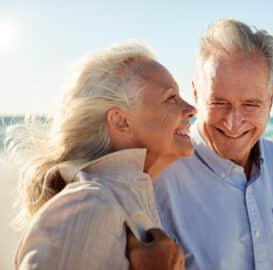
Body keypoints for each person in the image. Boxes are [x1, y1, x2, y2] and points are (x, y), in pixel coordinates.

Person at [154, 19, 273, 269]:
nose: (233, 122)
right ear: (195, 93)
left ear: (271, 99)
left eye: (250, 104)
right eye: (219, 102)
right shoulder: (159, 178)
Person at [5, 42, 195, 269]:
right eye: (171, 97)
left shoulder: (122, 199)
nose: (191, 109)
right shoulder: (90, 204)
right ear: (121, 121)